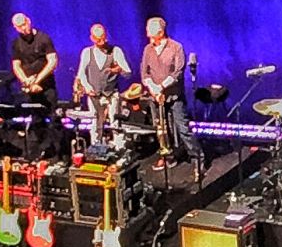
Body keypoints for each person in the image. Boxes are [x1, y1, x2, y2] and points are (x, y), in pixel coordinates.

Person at [139, 16, 203, 170]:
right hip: (156, 96)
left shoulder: (176, 48)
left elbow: (178, 73)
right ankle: (167, 156)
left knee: (182, 128)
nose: (147, 35)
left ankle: (197, 159)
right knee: (161, 128)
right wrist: (153, 88)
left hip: (174, 96)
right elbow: (144, 73)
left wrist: (161, 86)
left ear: (160, 32)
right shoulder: (148, 49)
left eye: (150, 32)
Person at [72, 23, 131, 142]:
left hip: (111, 93)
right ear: (92, 38)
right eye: (98, 39)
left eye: (103, 37)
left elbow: (128, 73)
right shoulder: (87, 52)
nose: (102, 41)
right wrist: (87, 87)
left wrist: (118, 70)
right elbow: (81, 73)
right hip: (94, 94)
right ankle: (96, 146)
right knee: (95, 122)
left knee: (115, 122)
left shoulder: (115, 51)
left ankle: (118, 147)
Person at [10, 12, 59, 113]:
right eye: (19, 27)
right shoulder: (16, 43)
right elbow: (16, 66)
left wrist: (37, 80)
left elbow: (52, 61)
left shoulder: (43, 38)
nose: (23, 28)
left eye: (24, 24)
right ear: (15, 27)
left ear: (28, 21)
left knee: (52, 119)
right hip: (29, 88)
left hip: (46, 87)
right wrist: (25, 81)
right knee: (34, 120)